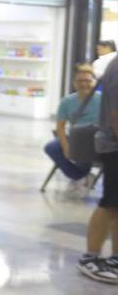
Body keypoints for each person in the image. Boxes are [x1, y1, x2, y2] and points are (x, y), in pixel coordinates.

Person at [79, 54, 118, 284]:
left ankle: (115, 258)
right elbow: (116, 116)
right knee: (110, 203)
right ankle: (90, 257)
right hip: (114, 146)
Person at [45, 64, 101, 197]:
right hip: (74, 137)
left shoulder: (103, 99)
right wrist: (66, 147)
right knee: (51, 147)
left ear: (94, 82)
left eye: (87, 80)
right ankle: (79, 176)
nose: (84, 84)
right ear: (74, 83)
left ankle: (80, 175)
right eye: (80, 81)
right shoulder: (67, 102)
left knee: (83, 152)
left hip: (96, 139)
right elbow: (60, 127)